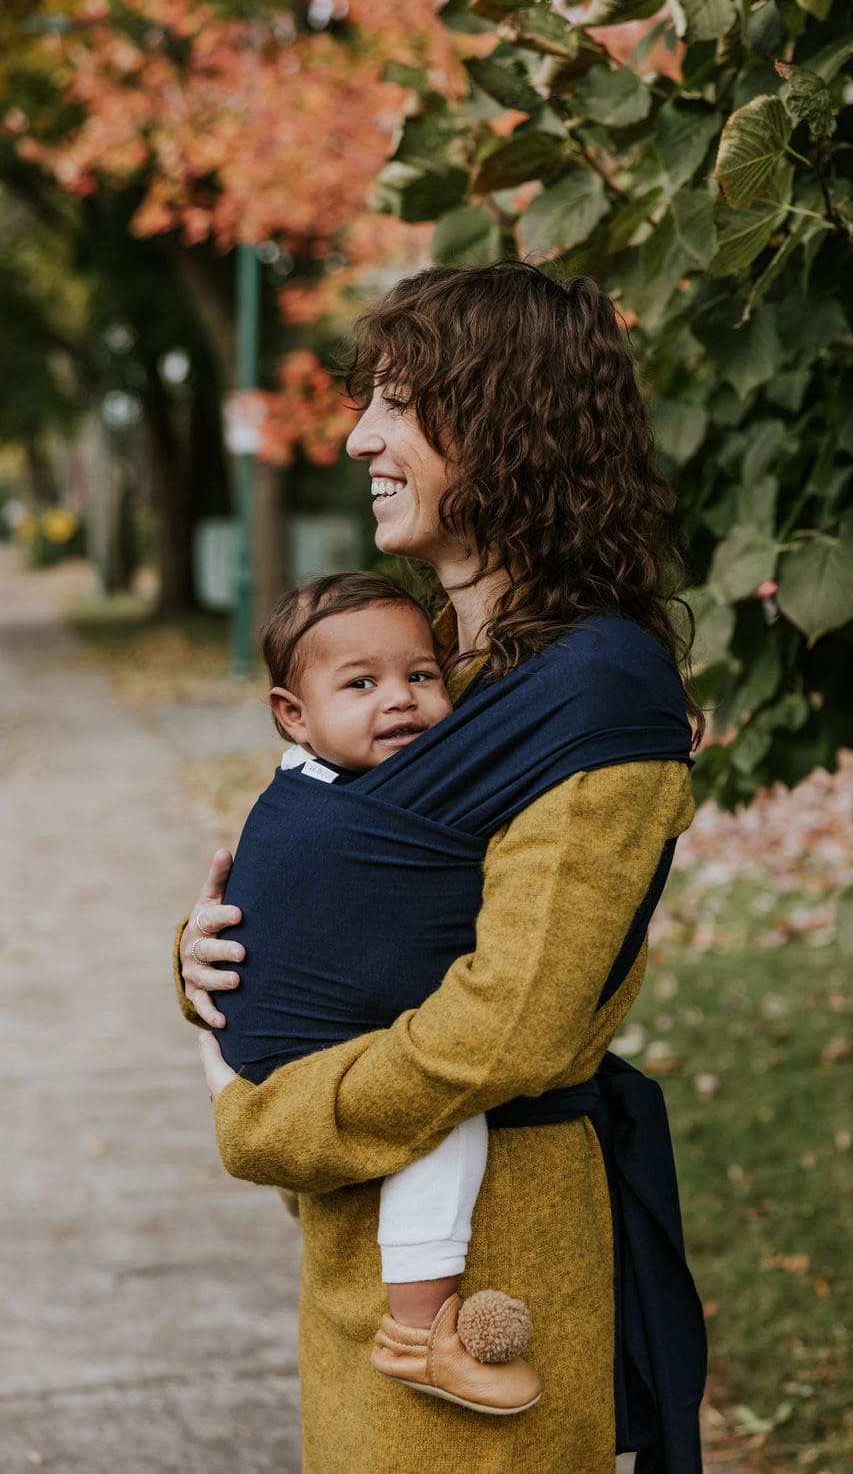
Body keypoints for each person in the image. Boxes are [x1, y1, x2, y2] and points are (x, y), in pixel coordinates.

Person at [178, 262, 708, 1474]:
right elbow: (351, 877)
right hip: (368, 1235)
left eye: (398, 404)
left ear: (507, 420)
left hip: (488, 1262)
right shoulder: (440, 672)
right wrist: (212, 952)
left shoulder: (592, 698)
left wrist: (266, 1119)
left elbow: (505, 1028)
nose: (358, 437)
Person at [212, 567, 541, 1414]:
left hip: (274, 1046)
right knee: (442, 1111)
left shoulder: (348, 782)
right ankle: (419, 1332)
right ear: (294, 715)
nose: (400, 698)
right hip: (295, 1049)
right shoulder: (329, 807)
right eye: (361, 684)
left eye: (421, 675)